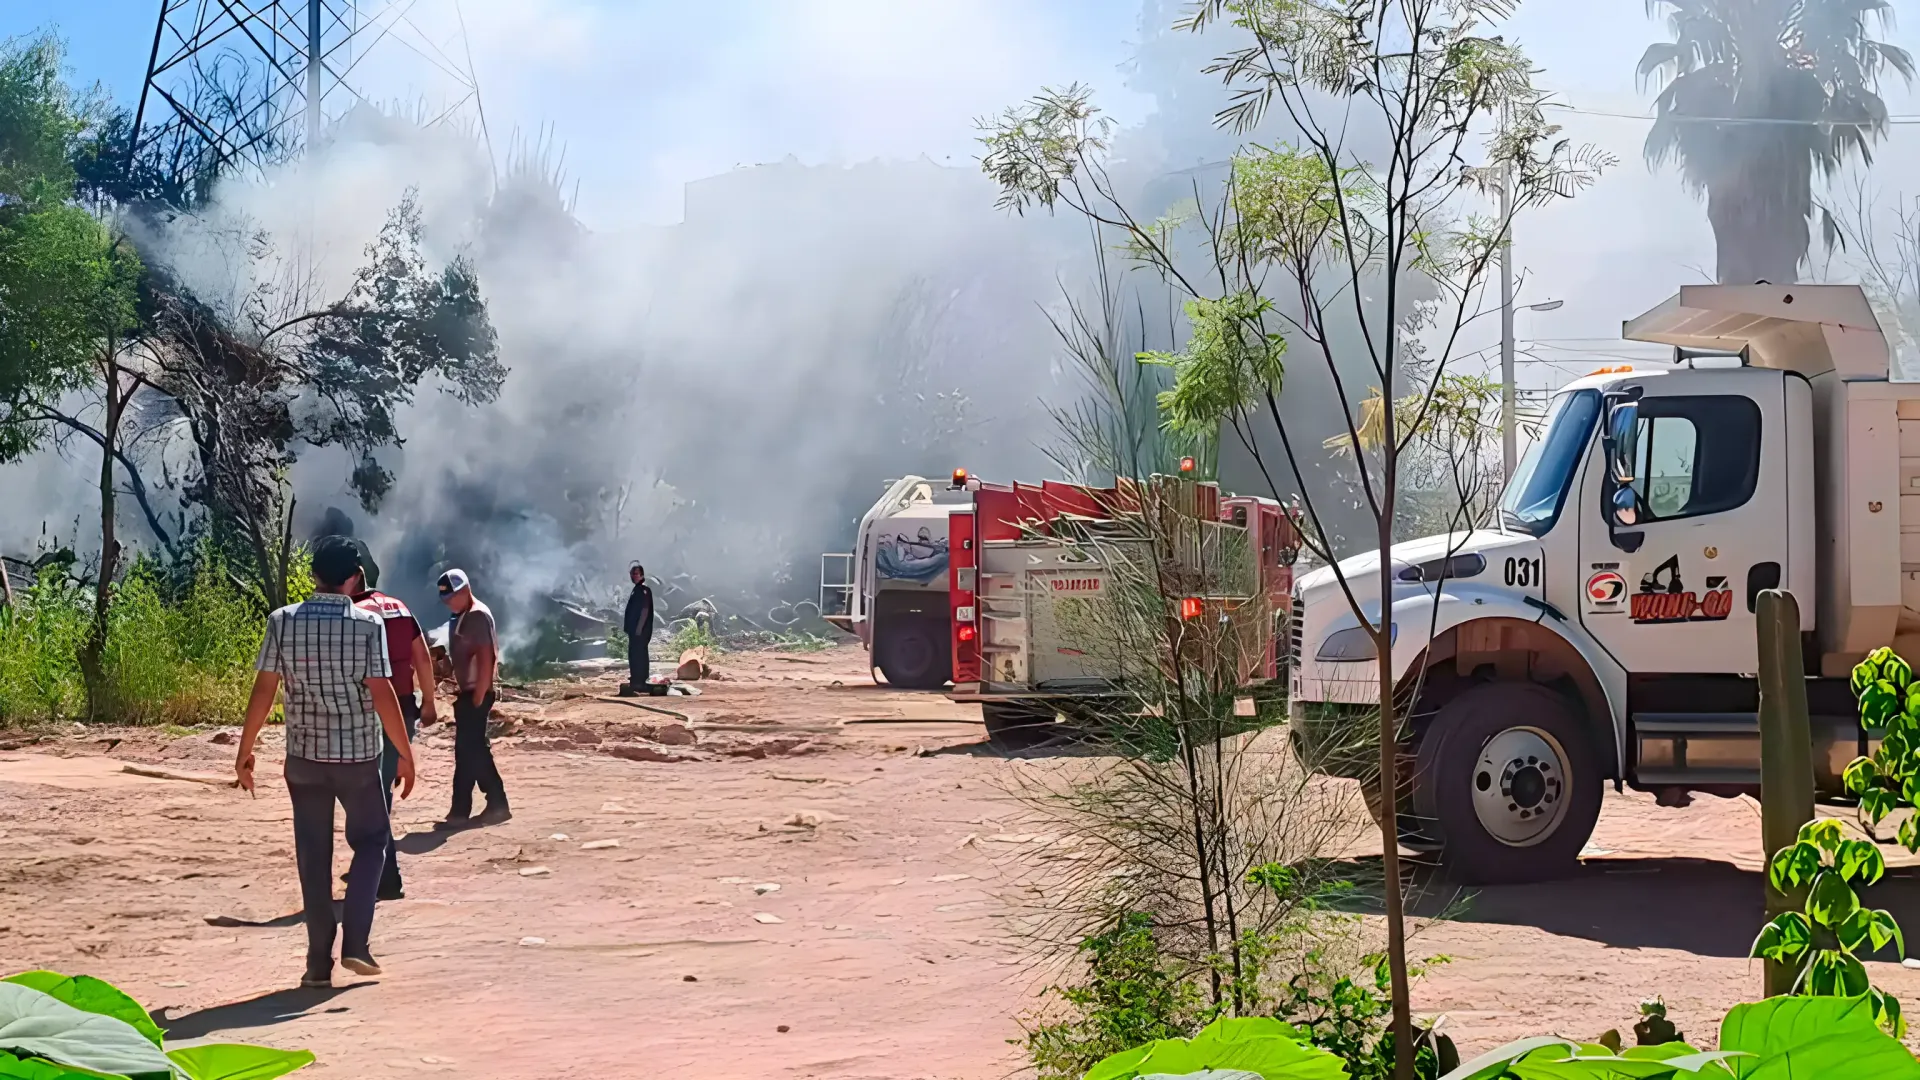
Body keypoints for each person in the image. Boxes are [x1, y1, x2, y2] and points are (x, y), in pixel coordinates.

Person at [235, 535, 415, 988]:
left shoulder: (282, 621)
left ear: (313, 575)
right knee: (372, 841)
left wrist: (245, 749)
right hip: (356, 757)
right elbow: (382, 695)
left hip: (304, 757)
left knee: (313, 857)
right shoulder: (367, 625)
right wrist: (406, 754)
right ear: (355, 577)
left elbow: (264, 689)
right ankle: (356, 941)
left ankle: (318, 962)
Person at [349, 548, 438, 900]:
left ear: (353, 580)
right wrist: (429, 702)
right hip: (404, 706)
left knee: (371, 795)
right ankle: (376, 868)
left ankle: (386, 876)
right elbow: (422, 656)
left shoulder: (354, 613)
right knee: (379, 790)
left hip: (371, 710)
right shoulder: (401, 608)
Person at [437, 568, 509, 827]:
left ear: (465, 590)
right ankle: (460, 810)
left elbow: (486, 655)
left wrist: (479, 694)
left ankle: (498, 803)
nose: (448, 602)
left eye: (452, 596)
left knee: (474, 750)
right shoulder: (461, 615)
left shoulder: (477, 615)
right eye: (445, 598)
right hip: (467, 692)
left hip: (476, 693)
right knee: (466, 751)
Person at [622, 562, 654, 695]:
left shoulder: (644, 590)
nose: (633, 576)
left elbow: (645, 611)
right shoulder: (637, 589)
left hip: (640, 632)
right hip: (635, 631)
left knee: (639, 655)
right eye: (632, 573)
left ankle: (641, 681)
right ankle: (635, 679)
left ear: (642, 575)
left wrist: (639, 629)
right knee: (634, 655)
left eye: (636, 573)